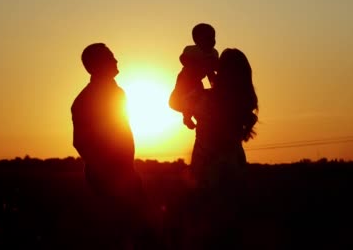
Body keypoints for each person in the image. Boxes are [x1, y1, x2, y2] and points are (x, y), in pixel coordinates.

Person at [70, 43, 157, 249]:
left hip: (125, 174)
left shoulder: (116, 92)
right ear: (98, 65)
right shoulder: (86, 100)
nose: (116, 60)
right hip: (109, 178)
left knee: (140, 231)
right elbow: (81, 142)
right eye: (110, 57)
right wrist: (109, 173)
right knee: (121, 233)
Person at [171, 48, 259, 249]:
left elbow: (173, 101)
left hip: (206, 174)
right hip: (234, 168)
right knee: (232, 228)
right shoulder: (243, 101)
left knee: (207, 232)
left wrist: (191, 71)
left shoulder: (205, 99)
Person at [169, 23, 219, 129]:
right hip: (185, 78)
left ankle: (191, 116)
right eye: (208, 38)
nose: (212, 40)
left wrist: (216, 86)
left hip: (197, 82)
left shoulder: (213, 53)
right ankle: (186, 117)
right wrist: (195, 65)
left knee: (195, 96)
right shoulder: (192, 50)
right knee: (184, 96)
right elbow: (182, 58)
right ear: (197, 40)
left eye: (213, 37)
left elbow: (212, 71)